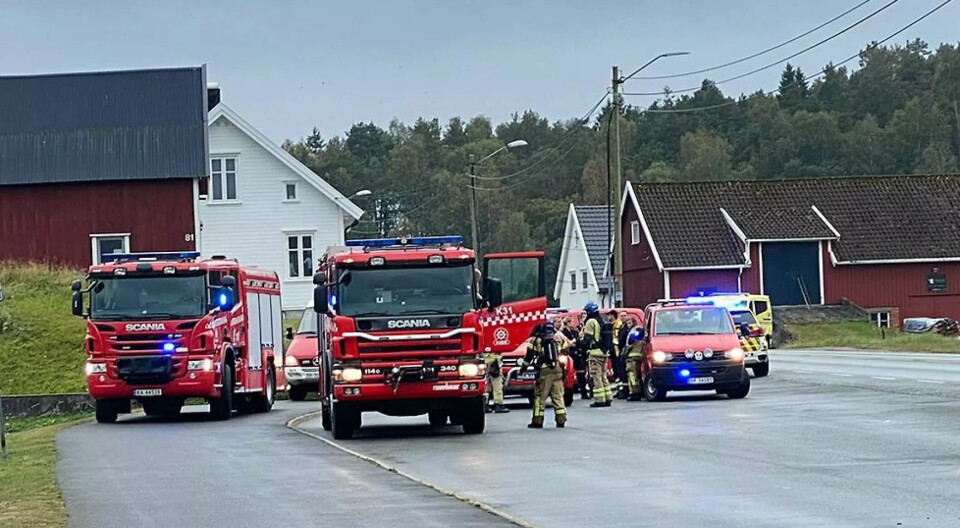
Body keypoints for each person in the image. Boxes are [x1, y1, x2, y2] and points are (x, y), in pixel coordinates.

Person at [520, 321, 567, 428]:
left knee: (540, 397)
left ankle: (537, 421)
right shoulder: (558, 338)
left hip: (544, 371)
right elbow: (565, 351)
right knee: (558, 396)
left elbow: (529, 357)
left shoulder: (535, 340)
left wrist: (523, 369)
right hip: (558, 369)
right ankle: (561, 420)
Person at [580, 302, 612, 407]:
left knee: (596, 376)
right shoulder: (602, 319)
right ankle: (608, 397)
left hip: (595, 353)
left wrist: (580, 342)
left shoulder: (590, 321)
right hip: (604, 352)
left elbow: (587, 339)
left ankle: (599, 400)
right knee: (603, 375)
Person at [624, 321, 645, 401]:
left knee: (632, 375)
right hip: (640, 357)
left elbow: (628, 346)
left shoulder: (632, 334)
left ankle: (634, 393)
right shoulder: (642, 333)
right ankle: (640, 391)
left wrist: (625, 354)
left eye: (629, 323)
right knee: (638, 375)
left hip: (632, 357)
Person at [615, 315, 635, 399]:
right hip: (623, 353)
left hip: (629, 354)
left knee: (629, 373)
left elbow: (630, 343)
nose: (628, 324)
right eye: (627, 322)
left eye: (629, 322)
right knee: (622, 373)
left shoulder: (633, 331)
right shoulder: (623, 328)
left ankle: (630, 392)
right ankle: (624, 390)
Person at [484, 349, 509, 414]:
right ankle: (498, 405)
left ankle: (485, 404)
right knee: (497, 385)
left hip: (485, 362)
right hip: (494, 363)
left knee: (486, 386)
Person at [609, 310, 624, 397]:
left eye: (609, 316)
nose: (608, 318)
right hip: (614, 351)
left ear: (613, 316)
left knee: (619, 372)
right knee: (617, 373)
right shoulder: (614, 324)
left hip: (616, 351)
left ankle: (621, 390)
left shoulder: (617, 324)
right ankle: (619, 389)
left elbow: (617, 338)